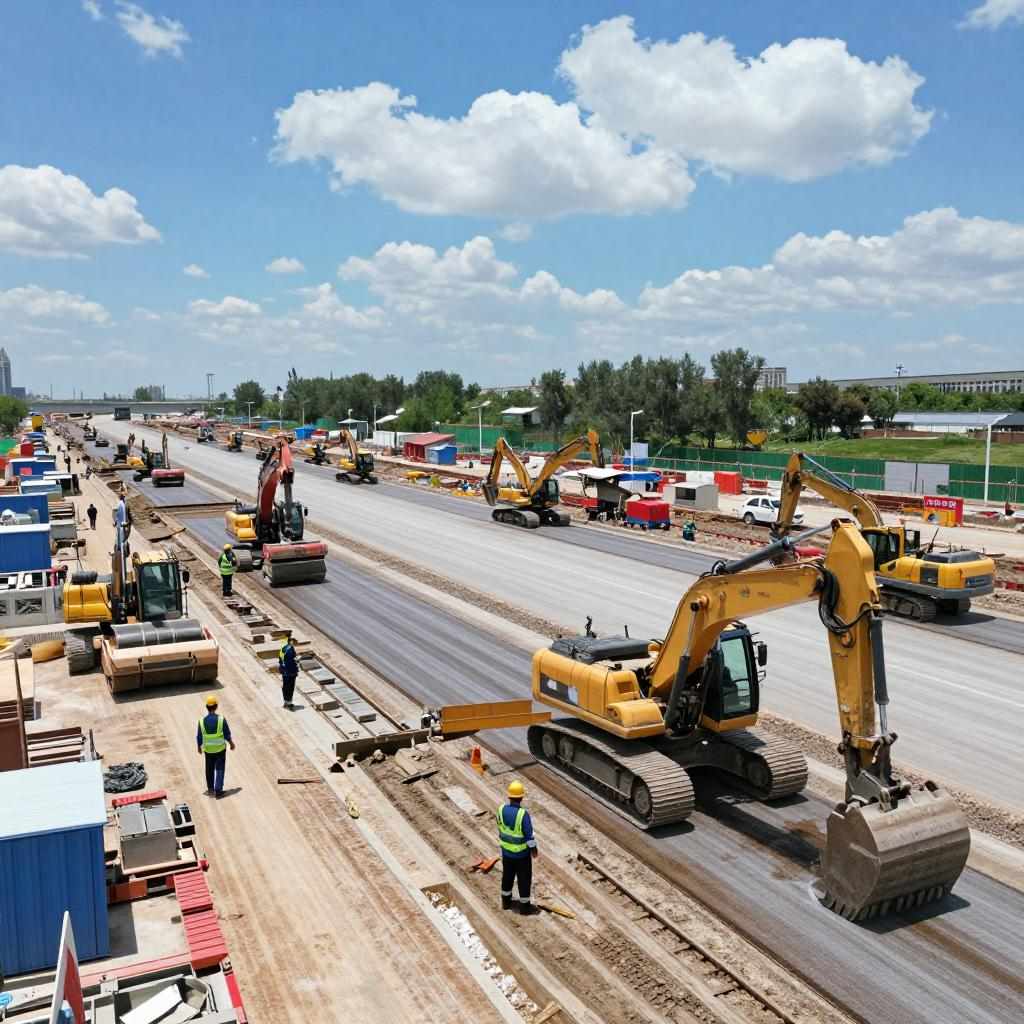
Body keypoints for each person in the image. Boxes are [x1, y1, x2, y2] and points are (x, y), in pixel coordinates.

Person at [498, 780, 538, 914]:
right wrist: (534, 851)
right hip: (522, 856)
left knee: (507, 877)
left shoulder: (501, 810)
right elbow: (529, 837)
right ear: (521, 798)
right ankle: (525, 908)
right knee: (524, 880)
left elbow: (501, 828)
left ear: (509, 796)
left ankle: (506, 902)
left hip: (506, 853)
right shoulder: (522, 814)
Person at [196, 695, 235, 797]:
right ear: (216, 706)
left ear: (207, 707)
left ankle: (210, 789)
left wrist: (199, 747)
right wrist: (231, 743)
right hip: (220, 749)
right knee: (220, 768)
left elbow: (199, 736)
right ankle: (218, 790)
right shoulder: (221, 719)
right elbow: (227, 734)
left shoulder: (201, 721)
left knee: (209, 769)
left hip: (208, 750)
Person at [278, 632, 299, 708]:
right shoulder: (290, 649)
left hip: (284, 671)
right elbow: (290, 661)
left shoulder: (283, 648)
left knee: (286, 687)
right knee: (290, 687)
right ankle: (288, 703)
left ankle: (286, 702)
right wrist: (296, 663)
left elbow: (281, 659)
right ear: (290, 641)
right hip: (290, 672)